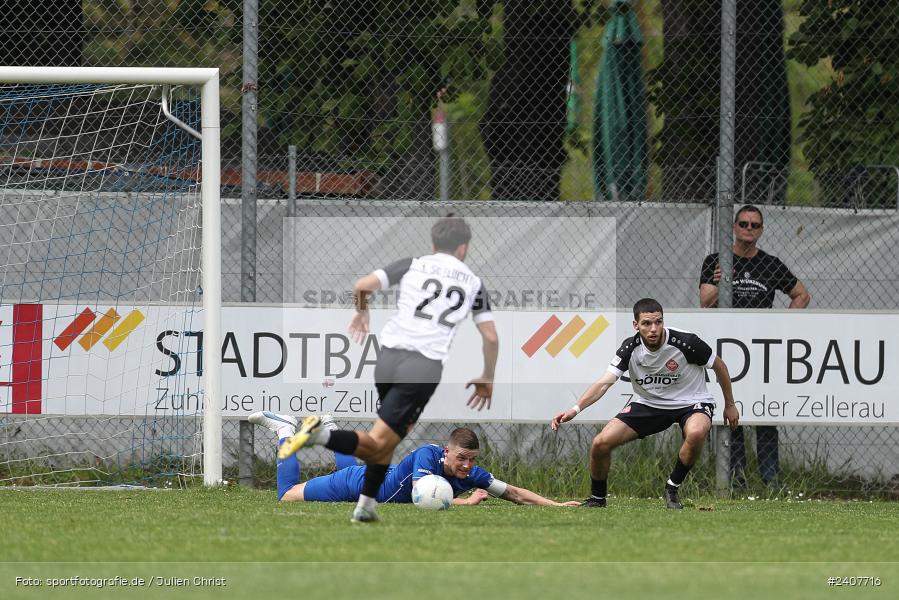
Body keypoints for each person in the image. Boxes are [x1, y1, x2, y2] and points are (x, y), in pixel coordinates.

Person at [277, 215, 499, 523]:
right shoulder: (472, 282)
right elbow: (490, 337)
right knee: (380, 441)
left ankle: (365, 506)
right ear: (463, 249)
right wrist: (487, 376)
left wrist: (361, 313)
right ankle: (318, 435)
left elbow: (362, 286)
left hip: (387, 358)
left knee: (387, 442)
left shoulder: (413, 264)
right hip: (422, 368)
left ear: (433, 244)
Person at [550, 298, 740, 509]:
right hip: (650, 404)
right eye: (647, 323)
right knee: (600, 443)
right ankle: (597, 499)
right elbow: (604, 383)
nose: (653, 329)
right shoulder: (630, 348)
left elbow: (720, 366)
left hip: (692, 402)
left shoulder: (687, 342)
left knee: (696, 432)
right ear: (635, 325)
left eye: (658, 322)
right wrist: (575, 409)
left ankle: (672, 488)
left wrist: (729, 404)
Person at [699, 204, 810, 490]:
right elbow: (704, 301)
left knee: (765, 416)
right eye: (744, 224)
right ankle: (737, 480)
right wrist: (719, 280)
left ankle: (771, 481)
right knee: (732, 413)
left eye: (755, 225)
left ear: (761, 231)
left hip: (761, 353)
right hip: (729, 350)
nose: (749, 229)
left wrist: (781, 327)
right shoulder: (716, 260)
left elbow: (801, 295)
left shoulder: (771, 264)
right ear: (734, 227)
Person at [249, 415, 579, 507]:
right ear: (446, 452)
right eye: (461, 458)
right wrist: (461, 503)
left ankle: (331, 427)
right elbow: (425, 496)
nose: (466, 466)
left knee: (355, 465)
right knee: (287, 495)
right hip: (359, 485)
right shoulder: (427, 455)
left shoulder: (471, 472)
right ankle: (284, 430)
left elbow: (514, 493)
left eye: (472, 460)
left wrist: (555, 505)